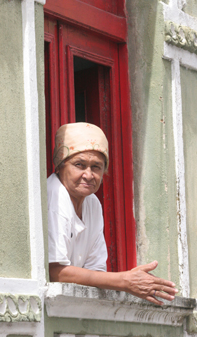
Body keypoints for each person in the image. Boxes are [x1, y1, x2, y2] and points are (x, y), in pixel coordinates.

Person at [47, 122, 178, 306]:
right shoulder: (54, 196)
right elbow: (55, 272)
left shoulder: (92, 203)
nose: (88, 175)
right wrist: (125, 281)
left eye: (96, 167)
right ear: (60, 166)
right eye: (79, 165)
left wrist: (132, 282)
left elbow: (95, 270)